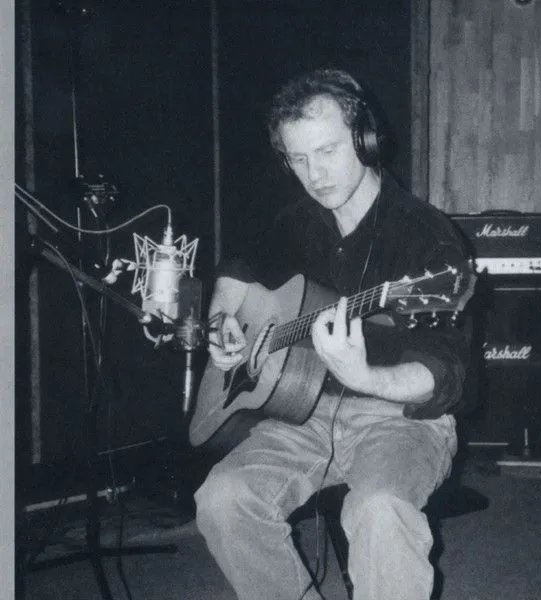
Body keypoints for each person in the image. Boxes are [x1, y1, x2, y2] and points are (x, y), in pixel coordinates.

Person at [191, 68, 473, 600]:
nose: (314, 174)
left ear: (367, 141)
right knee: (222, 499)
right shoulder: (296, 222)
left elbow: (447, 375)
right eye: (298, 159)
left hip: (399, 419)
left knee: (379, 509)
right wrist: (222, 318)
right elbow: (237, 266)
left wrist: (363, 375)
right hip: (303, 414)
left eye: (327, 151)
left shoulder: (428, 240)